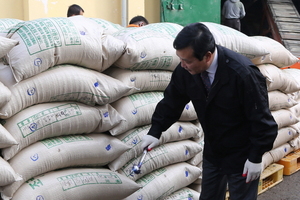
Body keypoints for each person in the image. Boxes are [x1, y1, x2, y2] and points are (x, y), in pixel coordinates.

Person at [141, 23, 278, 200]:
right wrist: (155, 130)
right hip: (214, 150)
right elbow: (172, 101)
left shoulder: (242, 74)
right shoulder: (186, 71)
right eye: (180, 59)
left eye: (187, 60)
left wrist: (255, 157)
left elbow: (261, 120)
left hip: (242, 155)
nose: (182, 65)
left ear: (207, 56)